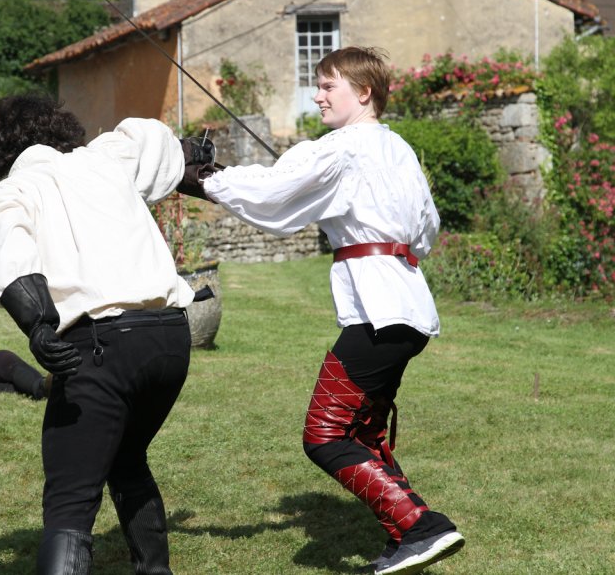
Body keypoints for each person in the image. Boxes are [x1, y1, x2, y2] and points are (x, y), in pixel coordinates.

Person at [187, 46, 464, 575]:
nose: (317, 95)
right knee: (362, 433)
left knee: (326, 436)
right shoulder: (399, 148)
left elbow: (273, 193)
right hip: (408, 306)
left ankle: (421, 527)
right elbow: (426, 232)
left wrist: (205, 178)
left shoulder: (342, 148)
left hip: (379, 313)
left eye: (328, 85)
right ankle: (407, 535)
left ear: (364, 92)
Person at [0, 93, 199, 574]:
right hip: (170, 339)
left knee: (69, 499)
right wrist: (188, 151)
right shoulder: (106, 158)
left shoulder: (14, 191)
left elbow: (10, 257)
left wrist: (38, 325)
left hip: (102, 346)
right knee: (127, 459)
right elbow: (152, 140)